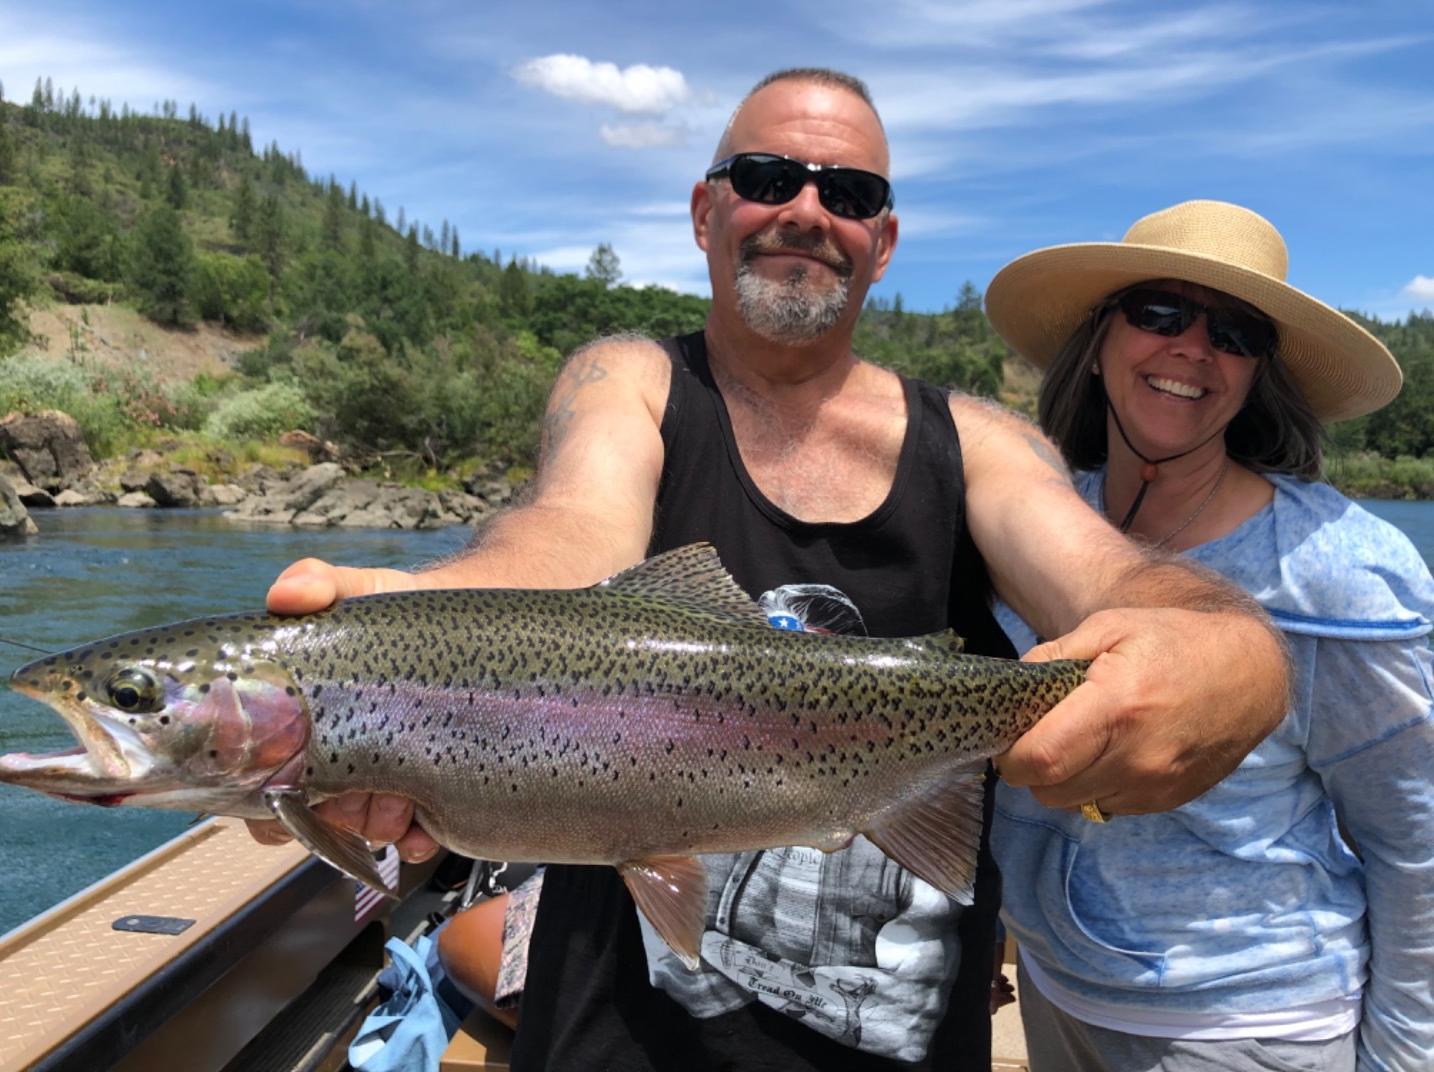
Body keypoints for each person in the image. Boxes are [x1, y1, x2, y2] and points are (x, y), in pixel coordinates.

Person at [251, 75, 1292, 1070]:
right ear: (705, 212)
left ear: (881, 243)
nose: (804, 209)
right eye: (764, 178)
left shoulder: (980, 440)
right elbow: (570, 533)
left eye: (847, 194)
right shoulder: (628, 383)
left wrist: (1224, 647)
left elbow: (1115, 576)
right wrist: (418, 638)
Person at [983, 199, 1434, 1071]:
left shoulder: (1338, 567)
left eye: (1234, 332)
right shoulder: (1024, 523)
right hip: (1051, 987)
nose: (1194, 347)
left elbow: (1414, 839)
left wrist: (1406, 1058)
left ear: (1261, 371)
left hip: (1245, 1031)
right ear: (1100, 337)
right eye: (1160, 313)